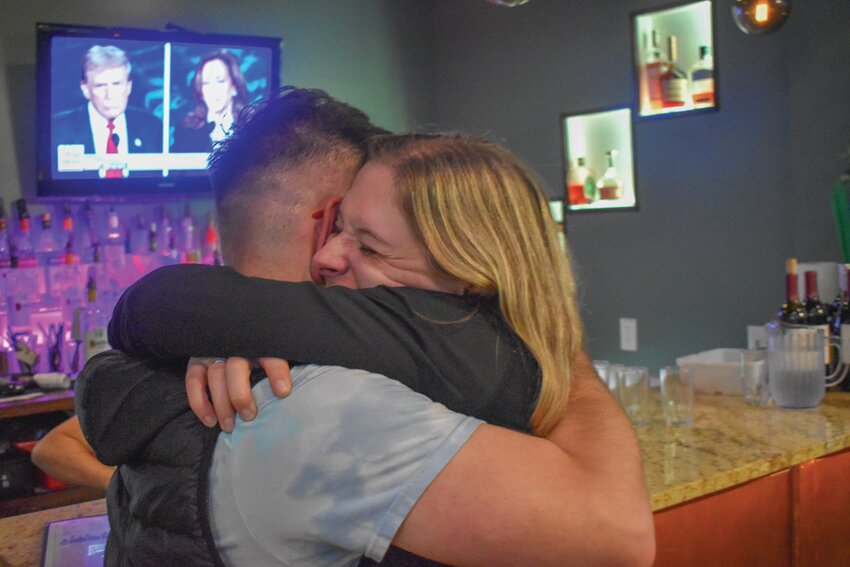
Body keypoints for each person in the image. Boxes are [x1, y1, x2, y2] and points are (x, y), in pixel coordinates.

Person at [75, 88, 654, 566]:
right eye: (343, 230)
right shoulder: (327, 404)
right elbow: (617, 537)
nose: (333, 258)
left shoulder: (189, 357)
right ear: (326, 215)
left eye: (369, 243)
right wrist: (557, 340)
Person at [53, 45, 162, 177]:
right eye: (100, 86)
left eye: (117, 84)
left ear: (128, 86)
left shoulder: (152, 126)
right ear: (85, 89)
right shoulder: (58, 129)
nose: (110, 95)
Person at [172, 50, 249, 153]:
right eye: (206, 83)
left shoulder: (251, 125)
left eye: (220, 81)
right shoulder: (186, 129)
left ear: (234, 87)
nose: (213, 90)